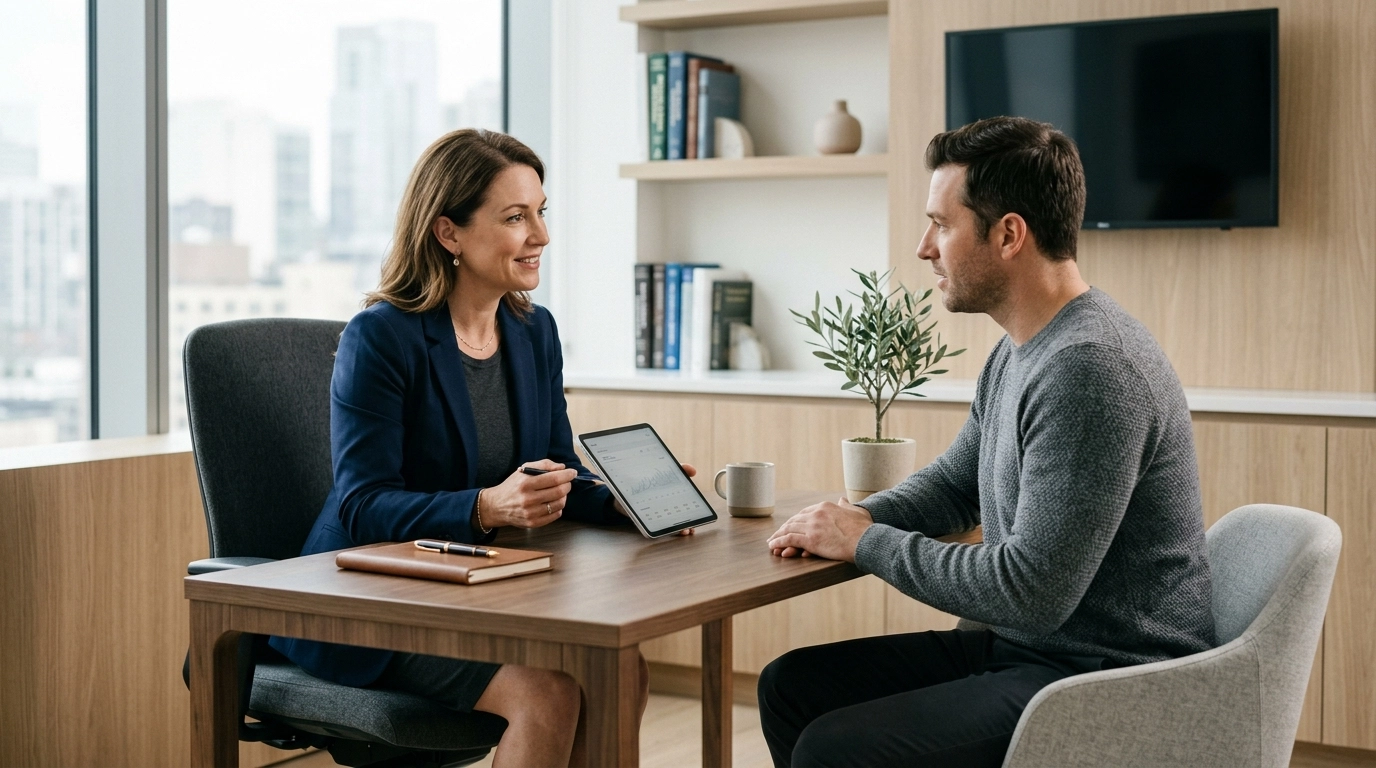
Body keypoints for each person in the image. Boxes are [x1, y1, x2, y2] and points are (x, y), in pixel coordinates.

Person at [757, 116, 1217, 768]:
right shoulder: (1025, 349)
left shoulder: (1091, 368)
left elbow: (1031, 590)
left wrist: (864, 541)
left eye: (941, 225)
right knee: (792, 687)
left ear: (1008, 235)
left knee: (838, 748)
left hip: (1107, 675)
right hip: (1032, 647)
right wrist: (852, 518)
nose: (924, 248)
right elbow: (952, 486)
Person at [269, 129, 691, 768]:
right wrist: (486, 508)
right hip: (375, 607)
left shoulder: (533, 330)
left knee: (620, 673)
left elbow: (557, 473)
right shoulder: (381, 337)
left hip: (483, 591)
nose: (540, 235)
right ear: (449, 233)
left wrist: (626, 502)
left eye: (541, 212)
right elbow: (363, 505)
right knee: (547, 693)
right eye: (516, 217)